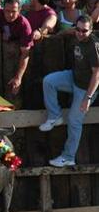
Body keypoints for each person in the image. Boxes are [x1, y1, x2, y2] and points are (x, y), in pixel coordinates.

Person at [39, 15, 99, 167]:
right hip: (73, 77)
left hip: (86, 88)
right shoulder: (76, 34)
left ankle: (68, 156)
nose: (80, 33)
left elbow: (97, 75)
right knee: (49, 81)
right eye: (77, 29)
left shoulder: (93, 46)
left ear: (91, 30)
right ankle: (55, 116)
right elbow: (67, 32)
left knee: (74, 120)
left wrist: (88, 97)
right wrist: (58, 33)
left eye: (84, 31)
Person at [0, 0, 33, 94]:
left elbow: (25, 53)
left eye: (14, 11)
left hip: (16, 57)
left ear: (19, 10)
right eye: (7, 11)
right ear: (3, 9)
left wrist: (18, 77)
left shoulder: (24, 24)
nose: (10, 14)